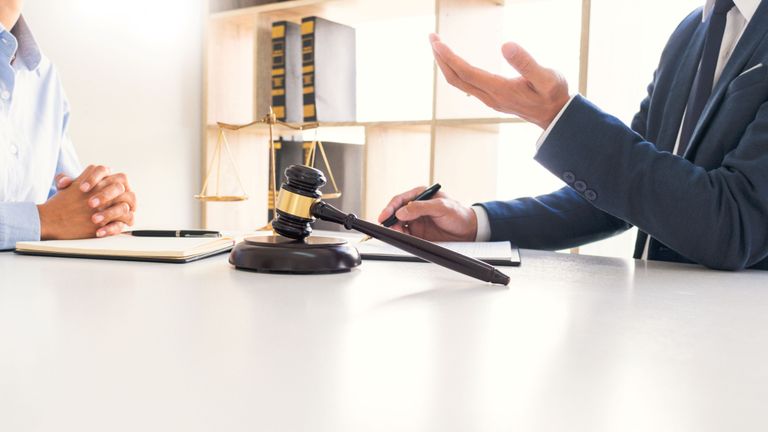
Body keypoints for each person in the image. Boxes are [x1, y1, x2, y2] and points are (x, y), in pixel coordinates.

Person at [379, 0, 768, 270]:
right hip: (667, 330)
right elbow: (616, 199)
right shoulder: (691, 30)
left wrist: (557, 116)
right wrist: (475, 223)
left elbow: (736, 225)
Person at [0, 0, 136, 250]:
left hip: (37, 276)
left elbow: (69, 207)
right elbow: (55, 218)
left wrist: (103, 206)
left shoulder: (44, 77)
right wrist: (44, 220)